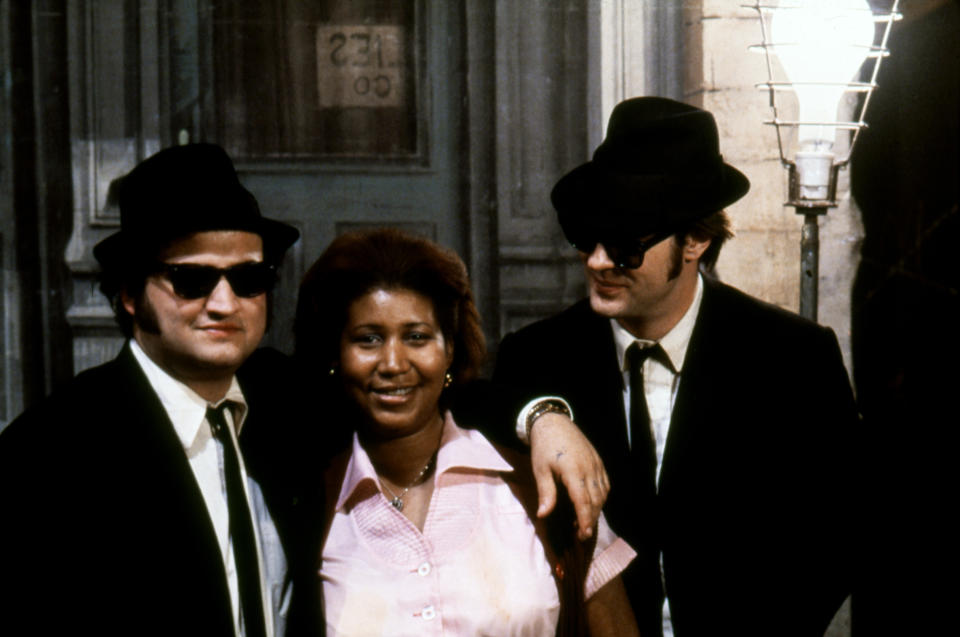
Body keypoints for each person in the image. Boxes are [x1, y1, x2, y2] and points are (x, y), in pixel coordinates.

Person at [0, 144, 608, 637]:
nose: (223, 302)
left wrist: (543, 419)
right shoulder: (54, 449)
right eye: (191, 279)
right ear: (130, 295)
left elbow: (424, 391)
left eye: (248, 277)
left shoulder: (279, 400)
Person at [490, 97, 860, 636]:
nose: (597, 262)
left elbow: (839, 536)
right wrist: (543, 417)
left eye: (624, 246)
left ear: (695, 240)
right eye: (587, 239)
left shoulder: (793, 357)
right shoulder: (537, 355)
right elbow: (467, 399)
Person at [294, 228, 639, 637]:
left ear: (451, 349)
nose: (392, 362)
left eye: (417, 337)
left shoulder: (537, 487)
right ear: (337, 354)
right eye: (368, 339)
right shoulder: (308, 506)